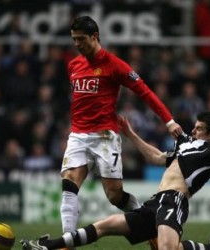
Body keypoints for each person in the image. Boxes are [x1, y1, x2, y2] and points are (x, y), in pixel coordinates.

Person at [20, 112, 210, 250]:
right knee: (104, 225)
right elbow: (156, 157)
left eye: (199, 128)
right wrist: (131, 134)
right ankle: (48, 245)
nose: (193, 130)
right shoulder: (184, 146)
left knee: (167, 249)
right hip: (154, 204)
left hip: (174, 200)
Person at [58, 15, 183, 240]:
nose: (76, 44)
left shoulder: (114, 65)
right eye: (74, 39)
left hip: (105, 136)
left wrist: (169, 120)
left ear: (95, 36)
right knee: (69, 182)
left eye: (81, 39)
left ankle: (147, 224)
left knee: (114, 195)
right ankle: (66, 241)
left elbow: (144, 92)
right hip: (78, 134)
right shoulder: (73, 65)